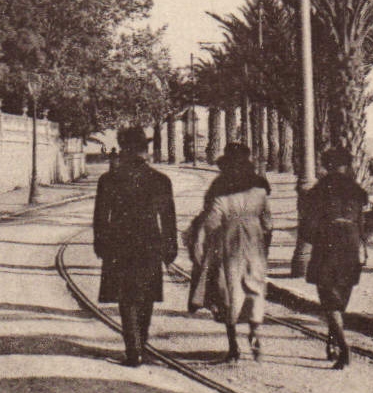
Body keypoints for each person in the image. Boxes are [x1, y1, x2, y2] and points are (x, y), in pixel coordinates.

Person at [92, 126, 177, 367]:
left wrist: (100, 243)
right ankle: (142, 342)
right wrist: (170, 248)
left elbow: (100, 217)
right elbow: (168, 219)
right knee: (146, 296)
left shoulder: (109, 179)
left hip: (119, 244)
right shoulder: (160, 180)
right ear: (144, 150)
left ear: (124, 149)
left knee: (126, 298)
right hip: (150, 243)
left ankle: (133, 350)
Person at [186, 144, 272, 363]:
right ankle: (254, 330)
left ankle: (233, 347)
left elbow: (210, 221)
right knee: (255, 288)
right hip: (255, 244)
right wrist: (264, 247)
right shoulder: (260, 190)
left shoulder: (220, 191)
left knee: (229, 293)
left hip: (228, 244)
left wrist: (198, 243)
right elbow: (269, 224)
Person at [299, 144, 368, 369]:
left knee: (328, 299)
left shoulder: (319, 190)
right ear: (346, 166)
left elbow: (308, 228)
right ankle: (332, 341)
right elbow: (361, 224)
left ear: (326, 166)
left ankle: (343, 347)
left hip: (327, 247)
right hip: (351, 246)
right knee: (341, 297)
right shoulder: (357, 191)